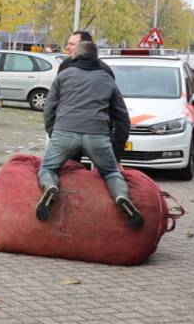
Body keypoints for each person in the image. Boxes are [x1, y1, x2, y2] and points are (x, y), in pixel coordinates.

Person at [36, 41, 143, 229]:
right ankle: (121, 197)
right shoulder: (107, 79)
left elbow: (49, 109)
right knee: (111, 172)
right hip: (97, 136)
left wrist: (54, 133)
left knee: (48, 169)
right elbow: (122, 119)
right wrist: (115, 151)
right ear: (96, 57)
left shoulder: (64, 75)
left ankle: (51, 187)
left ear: (76, 55)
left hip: (64, 132)